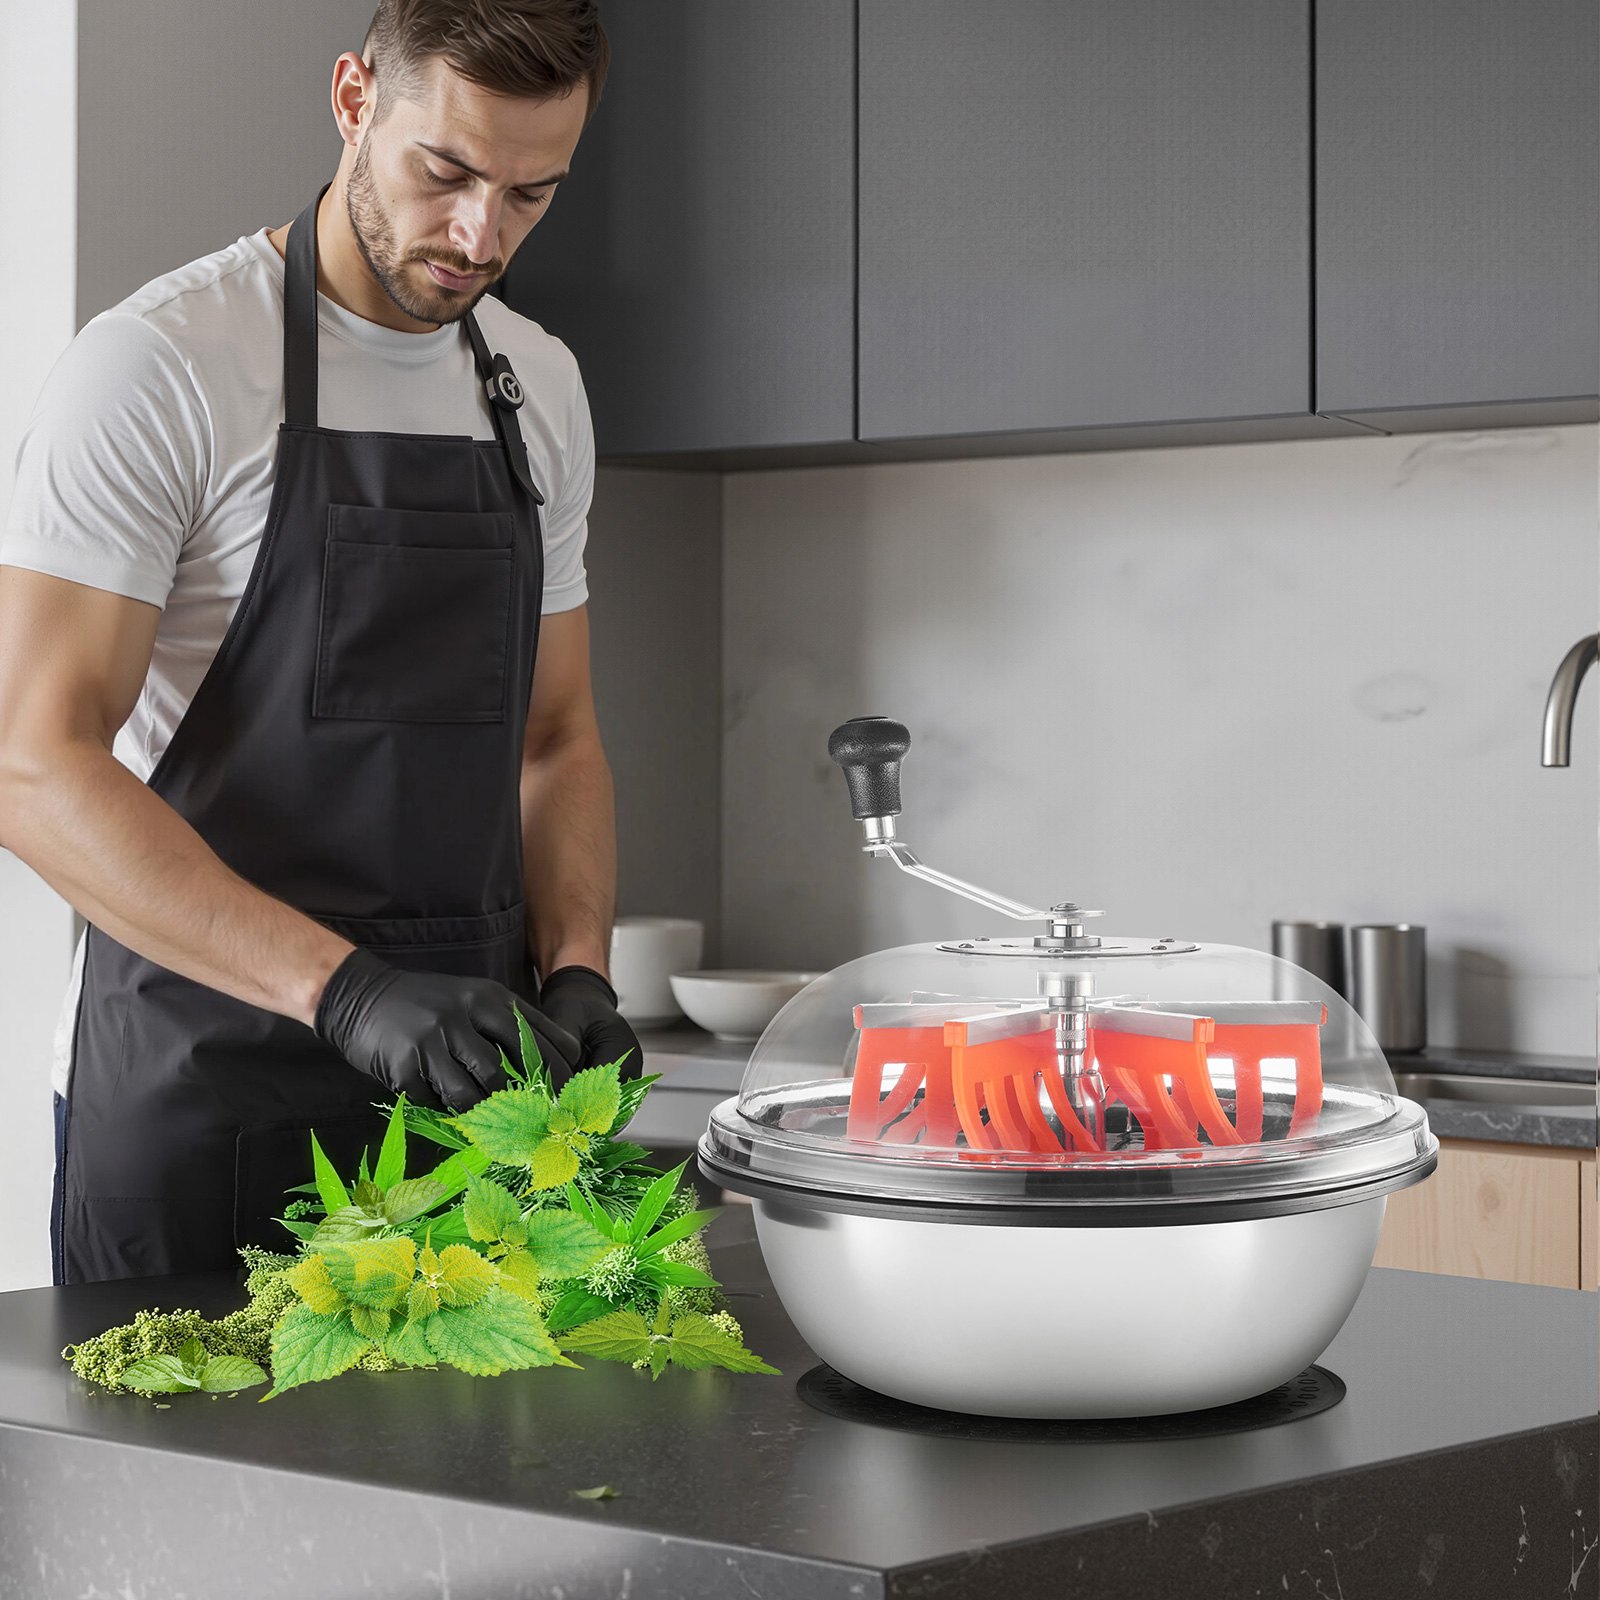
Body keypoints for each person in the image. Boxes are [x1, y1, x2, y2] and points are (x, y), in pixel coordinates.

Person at [0, 0, 641, 1286]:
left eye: (531, 195)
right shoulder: (164, 366)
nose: (478, 236)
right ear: (353, 99)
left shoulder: (536, 386)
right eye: (445, 172)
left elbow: (556, 738)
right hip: (207, 1095)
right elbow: (30, 763)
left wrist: (579, 970)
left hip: (468, 1115)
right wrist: (349, 993)